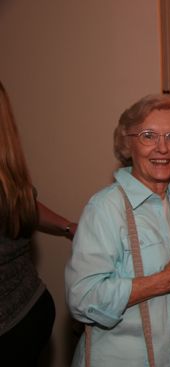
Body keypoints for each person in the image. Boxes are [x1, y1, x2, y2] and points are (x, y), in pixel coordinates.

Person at [65, 94, 170, 367]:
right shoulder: (106, 207)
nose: (162, 148)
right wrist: (163, 281)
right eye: (149, 136)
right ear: (128, 143)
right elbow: (82, 298)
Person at [0, 81, 77, 366]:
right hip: (31, 310)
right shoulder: (7, 169)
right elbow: (22, 203)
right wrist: (67, 226)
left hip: (12, 325)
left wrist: (69, 226)